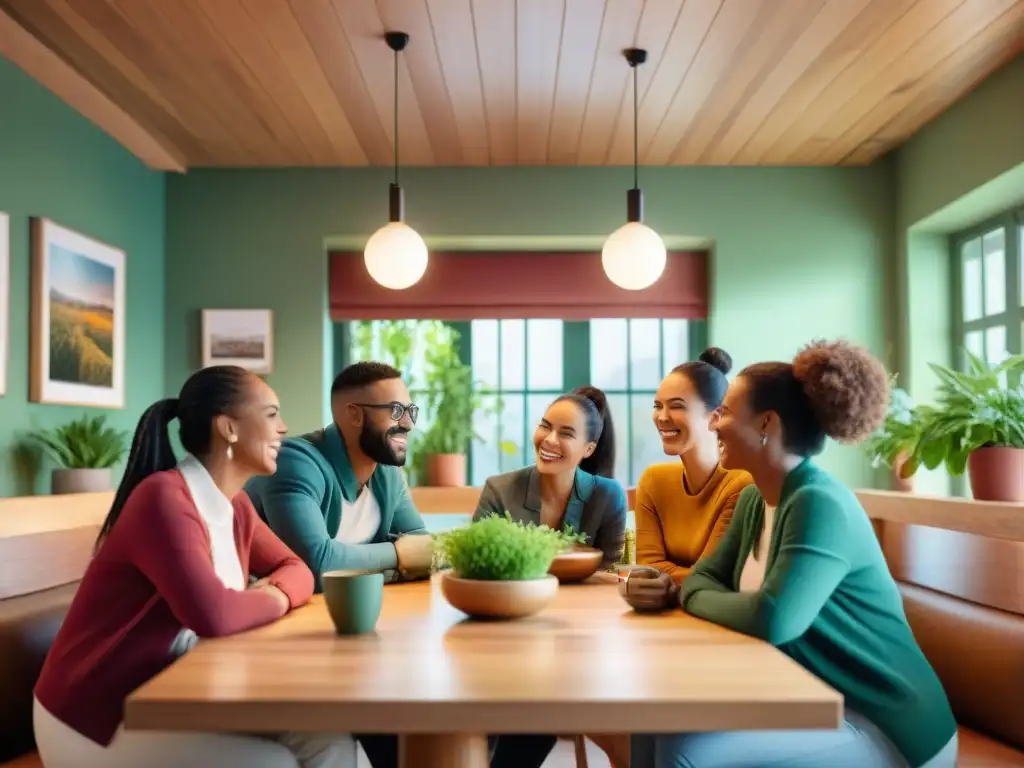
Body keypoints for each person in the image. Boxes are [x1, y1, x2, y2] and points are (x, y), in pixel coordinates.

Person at [631, 340, 958, 768]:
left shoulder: (819, 503)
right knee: (650, 723)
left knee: (685, 754)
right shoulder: (754, 499)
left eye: (724, 412)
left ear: (766, 423)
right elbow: (703, 580)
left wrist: (691, 594)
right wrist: (695, 590)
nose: (713, 426)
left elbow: (775, 618)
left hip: (884, 722)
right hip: (805, 698)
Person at [32, 366, 357, 768]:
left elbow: (299, 568)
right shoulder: (163, 499)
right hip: (98, 717)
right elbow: (214, 615)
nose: (284, 428)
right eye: (272, 415)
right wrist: (274, 595)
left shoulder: (234, 505)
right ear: (228, 428)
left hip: (183, 689)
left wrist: (265, 593)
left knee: (336, 739)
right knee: (286, 760)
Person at [474, 386, 627, 768]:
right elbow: (477, 570)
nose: (549, 440)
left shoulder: (607, 496)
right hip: (500, 635)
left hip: (576, 641)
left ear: (589, 449)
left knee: (548, 706)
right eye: (545, 426)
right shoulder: (500, 489)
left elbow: (607, 578)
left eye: (566, 433)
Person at [245, 361, 434, 592]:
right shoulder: (293, 462)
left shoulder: (388, 473)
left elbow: (424, 550)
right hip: (264, 611)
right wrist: (399, 553)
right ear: (354, 415)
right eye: (395, 411)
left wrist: (398, 561)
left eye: (410, 411)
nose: (407, 423)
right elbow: (316, 565)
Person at [634, 348, 752, 584]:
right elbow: (648, 568)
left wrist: (666, 575)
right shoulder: (653, 481)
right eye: (658, 406)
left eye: (676, 406)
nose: (662, 417)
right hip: (663, 615)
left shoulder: (742, 484)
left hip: (715, 617)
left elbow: (710, 578)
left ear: (715, 417)